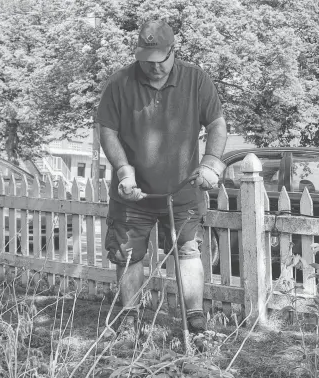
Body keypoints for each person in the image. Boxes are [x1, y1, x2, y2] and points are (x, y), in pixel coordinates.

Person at [96, 20, 227, 334]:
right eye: (146, 60)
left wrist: (211, 162)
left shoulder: (197, 80)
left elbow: (217, 124)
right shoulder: (119, 83)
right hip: (132, 194)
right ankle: (129, 320)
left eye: (160, 60)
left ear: (173, 51)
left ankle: (194, 319)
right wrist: (124, 171)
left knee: (188, 251)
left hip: (182, 193)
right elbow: (107, 131)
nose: (153, 67)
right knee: (127, 255)